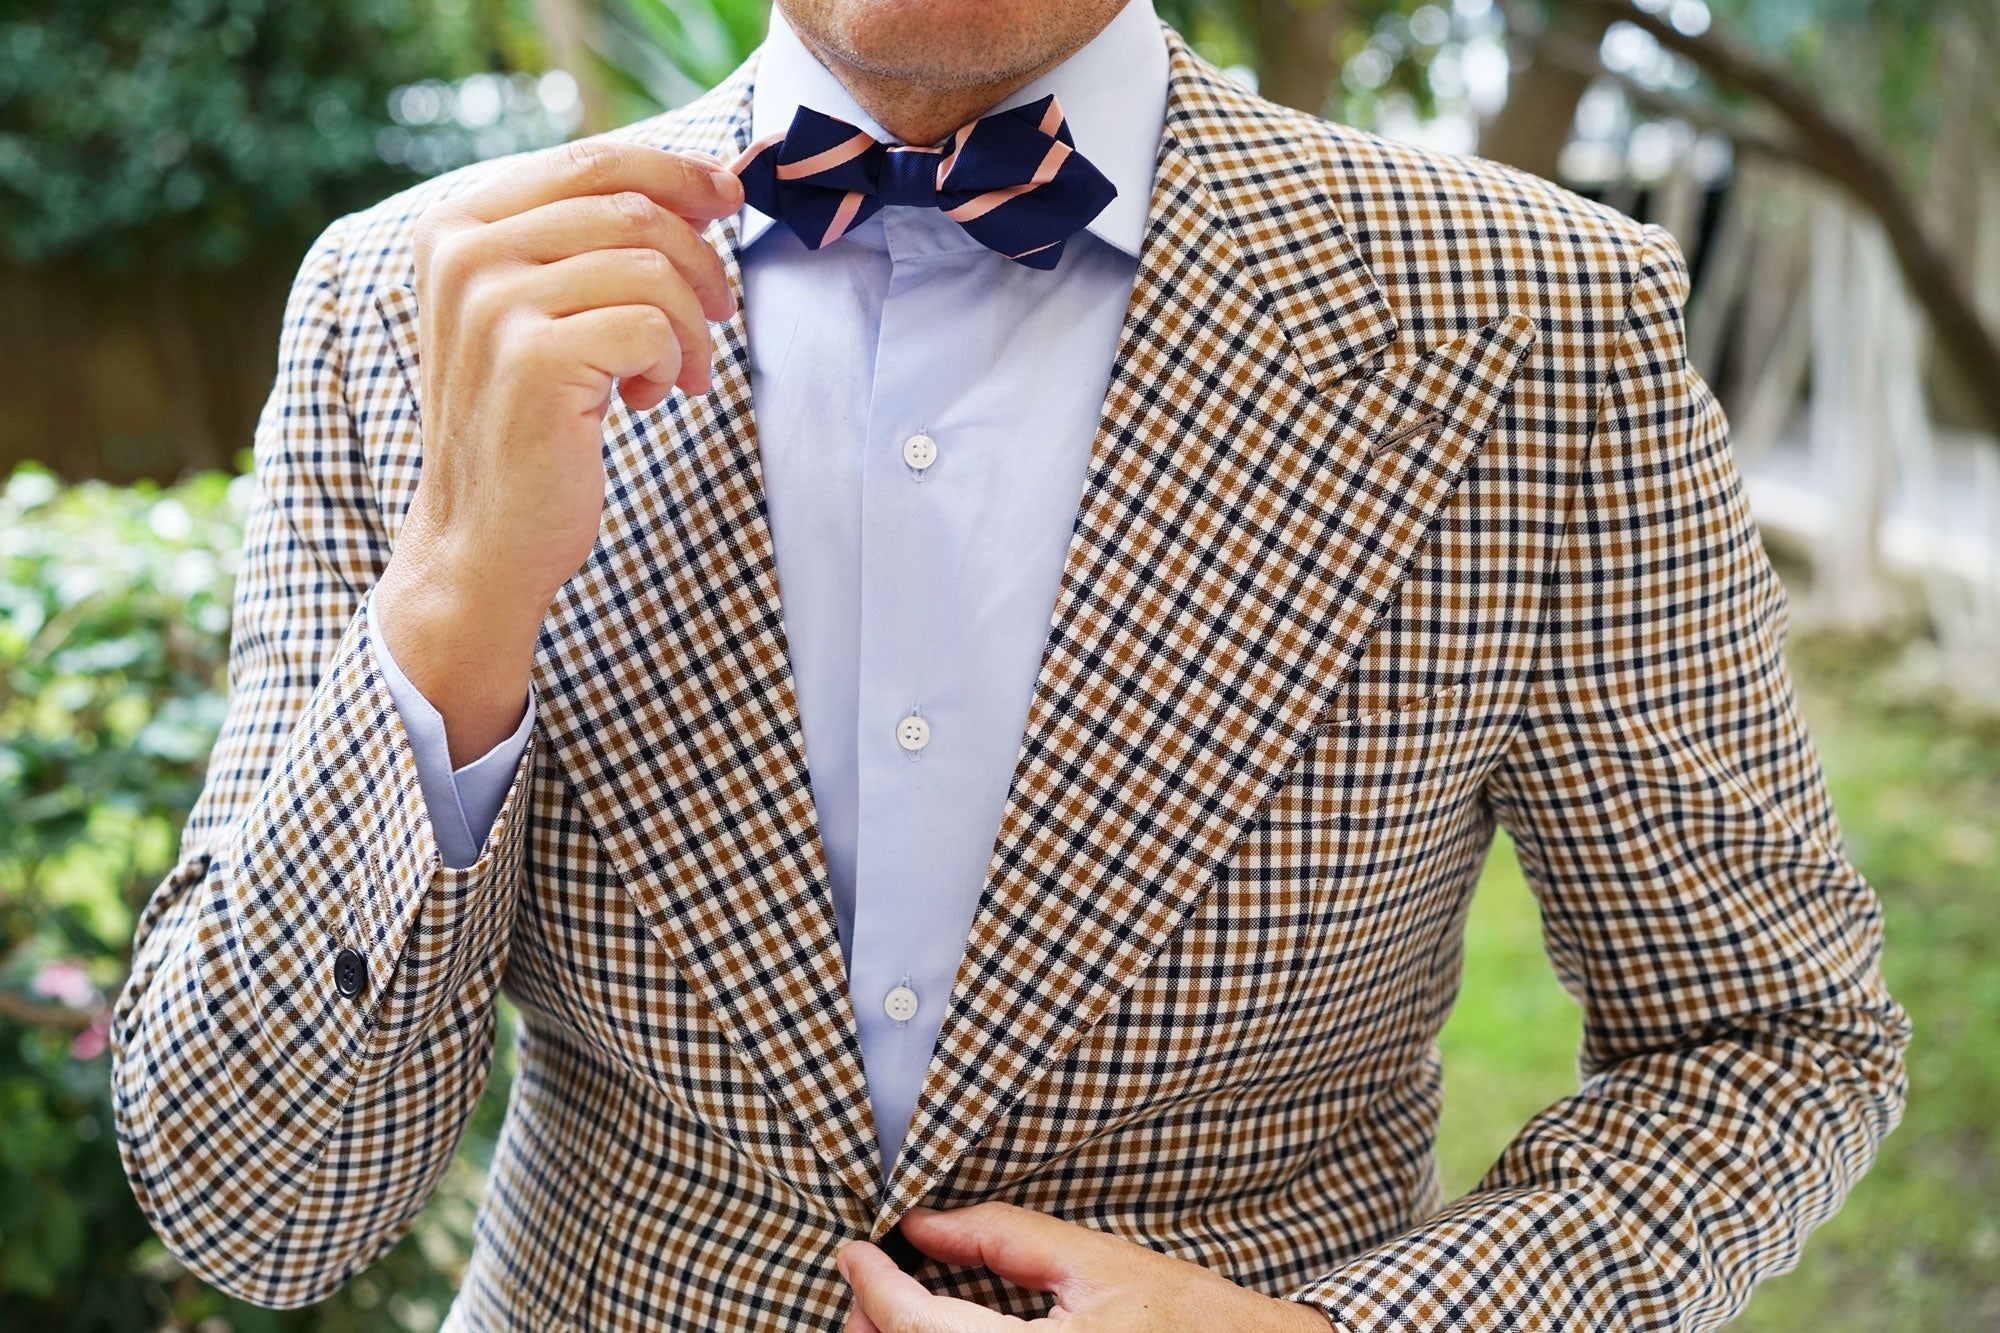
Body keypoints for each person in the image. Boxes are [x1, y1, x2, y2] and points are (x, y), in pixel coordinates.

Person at [108, 0, 1911, 1328]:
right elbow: (254, 1205)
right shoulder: (405, 298)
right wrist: (449, 608)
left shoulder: (1531, 317)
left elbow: (1768, 1042)